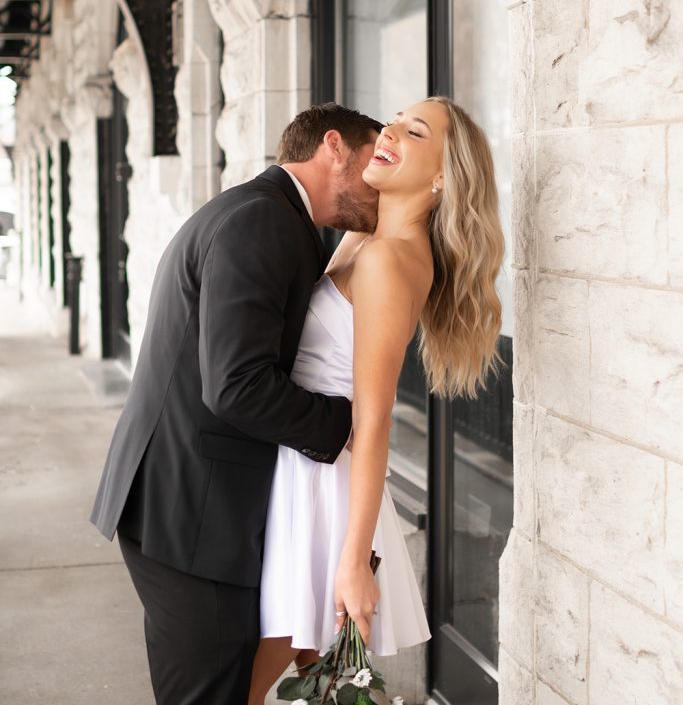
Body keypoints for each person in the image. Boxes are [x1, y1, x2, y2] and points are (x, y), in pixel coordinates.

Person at [90, 102, 383, 705]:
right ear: (334, 147)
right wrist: (348, 423)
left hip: (186, 504)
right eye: (372, 161)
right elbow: (235, 385)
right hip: (191, 514)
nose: (378, 184)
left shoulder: (265, 213)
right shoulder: (262, 222)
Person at [248, 96, 506, 703]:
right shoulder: (365, 238)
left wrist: (354, 559)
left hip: (321, 487)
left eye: (414, 132)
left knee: (254, 687)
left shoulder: (391, 258)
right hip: (299, 466)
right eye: (394, 120)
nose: (389, 131)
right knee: (317, 677)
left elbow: (373, 418)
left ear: (442, 177)